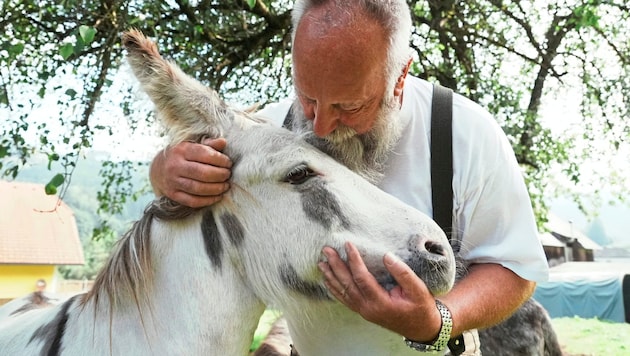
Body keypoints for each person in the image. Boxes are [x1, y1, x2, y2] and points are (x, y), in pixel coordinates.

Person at [149, 0, 549, 353]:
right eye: (307, 96)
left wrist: (438, 321)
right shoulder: (270, 135)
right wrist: (165, 171)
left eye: (348, 105)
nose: (319, 125)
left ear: (400, 78)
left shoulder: (464, 132)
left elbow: (514, 268)